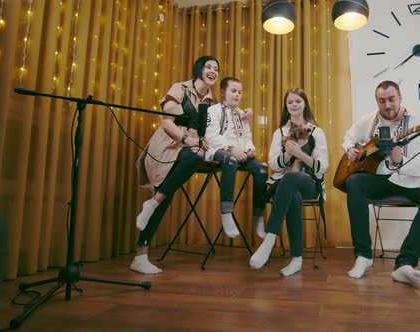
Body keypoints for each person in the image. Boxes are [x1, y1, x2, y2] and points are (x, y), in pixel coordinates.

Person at [133, 56, 251, 274]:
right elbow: (166, 121)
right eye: (209, 66)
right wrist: (187, 139)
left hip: (192, 152)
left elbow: (222, 128)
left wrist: (243, 117)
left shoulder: (213, 105)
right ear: (199, 68)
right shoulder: (180, 89)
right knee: (169, 190)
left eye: (216, 68)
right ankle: (141, 254)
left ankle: (151, 210)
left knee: (174, 183)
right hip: (168, 146)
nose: (213, 71)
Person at [342, 80, 420, 285]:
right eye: (382, 101)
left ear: (400, 98)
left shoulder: (418, 123)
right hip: (380, 180)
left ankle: (405, 263)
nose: (387, 105)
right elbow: (349, 136)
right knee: (353, 181)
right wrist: (349, 149)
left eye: (391, 100)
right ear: (377, 102)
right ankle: (363, 256)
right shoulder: (368, 120)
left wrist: (400, 161)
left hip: (410, 179)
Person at [249, 88, 328, 277]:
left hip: (309, 183)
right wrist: (287, 153)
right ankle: (296, 260)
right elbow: (274, 165)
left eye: (298, 101)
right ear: (286, 106)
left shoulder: (317, 132)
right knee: (292, 190)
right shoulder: (280, 132)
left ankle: (269, 239)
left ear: (305, 104)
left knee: (291, 178)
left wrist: (300, 154)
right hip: (284, 185)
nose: (294, 105)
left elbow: (322, 167)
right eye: (290, 102)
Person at [205, 77, 268, 239]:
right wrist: (232, 148)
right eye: (233, 91)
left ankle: (258, 216)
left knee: (262, 168)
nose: (237, 95)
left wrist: (249, 149)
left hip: (240, 153)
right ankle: (226, 212)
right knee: (230, 160)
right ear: (222, 92)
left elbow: (246, 137)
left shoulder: (241, 115)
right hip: (218, 151)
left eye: (240, 92)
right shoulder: (213, 110)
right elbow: (211, 136)